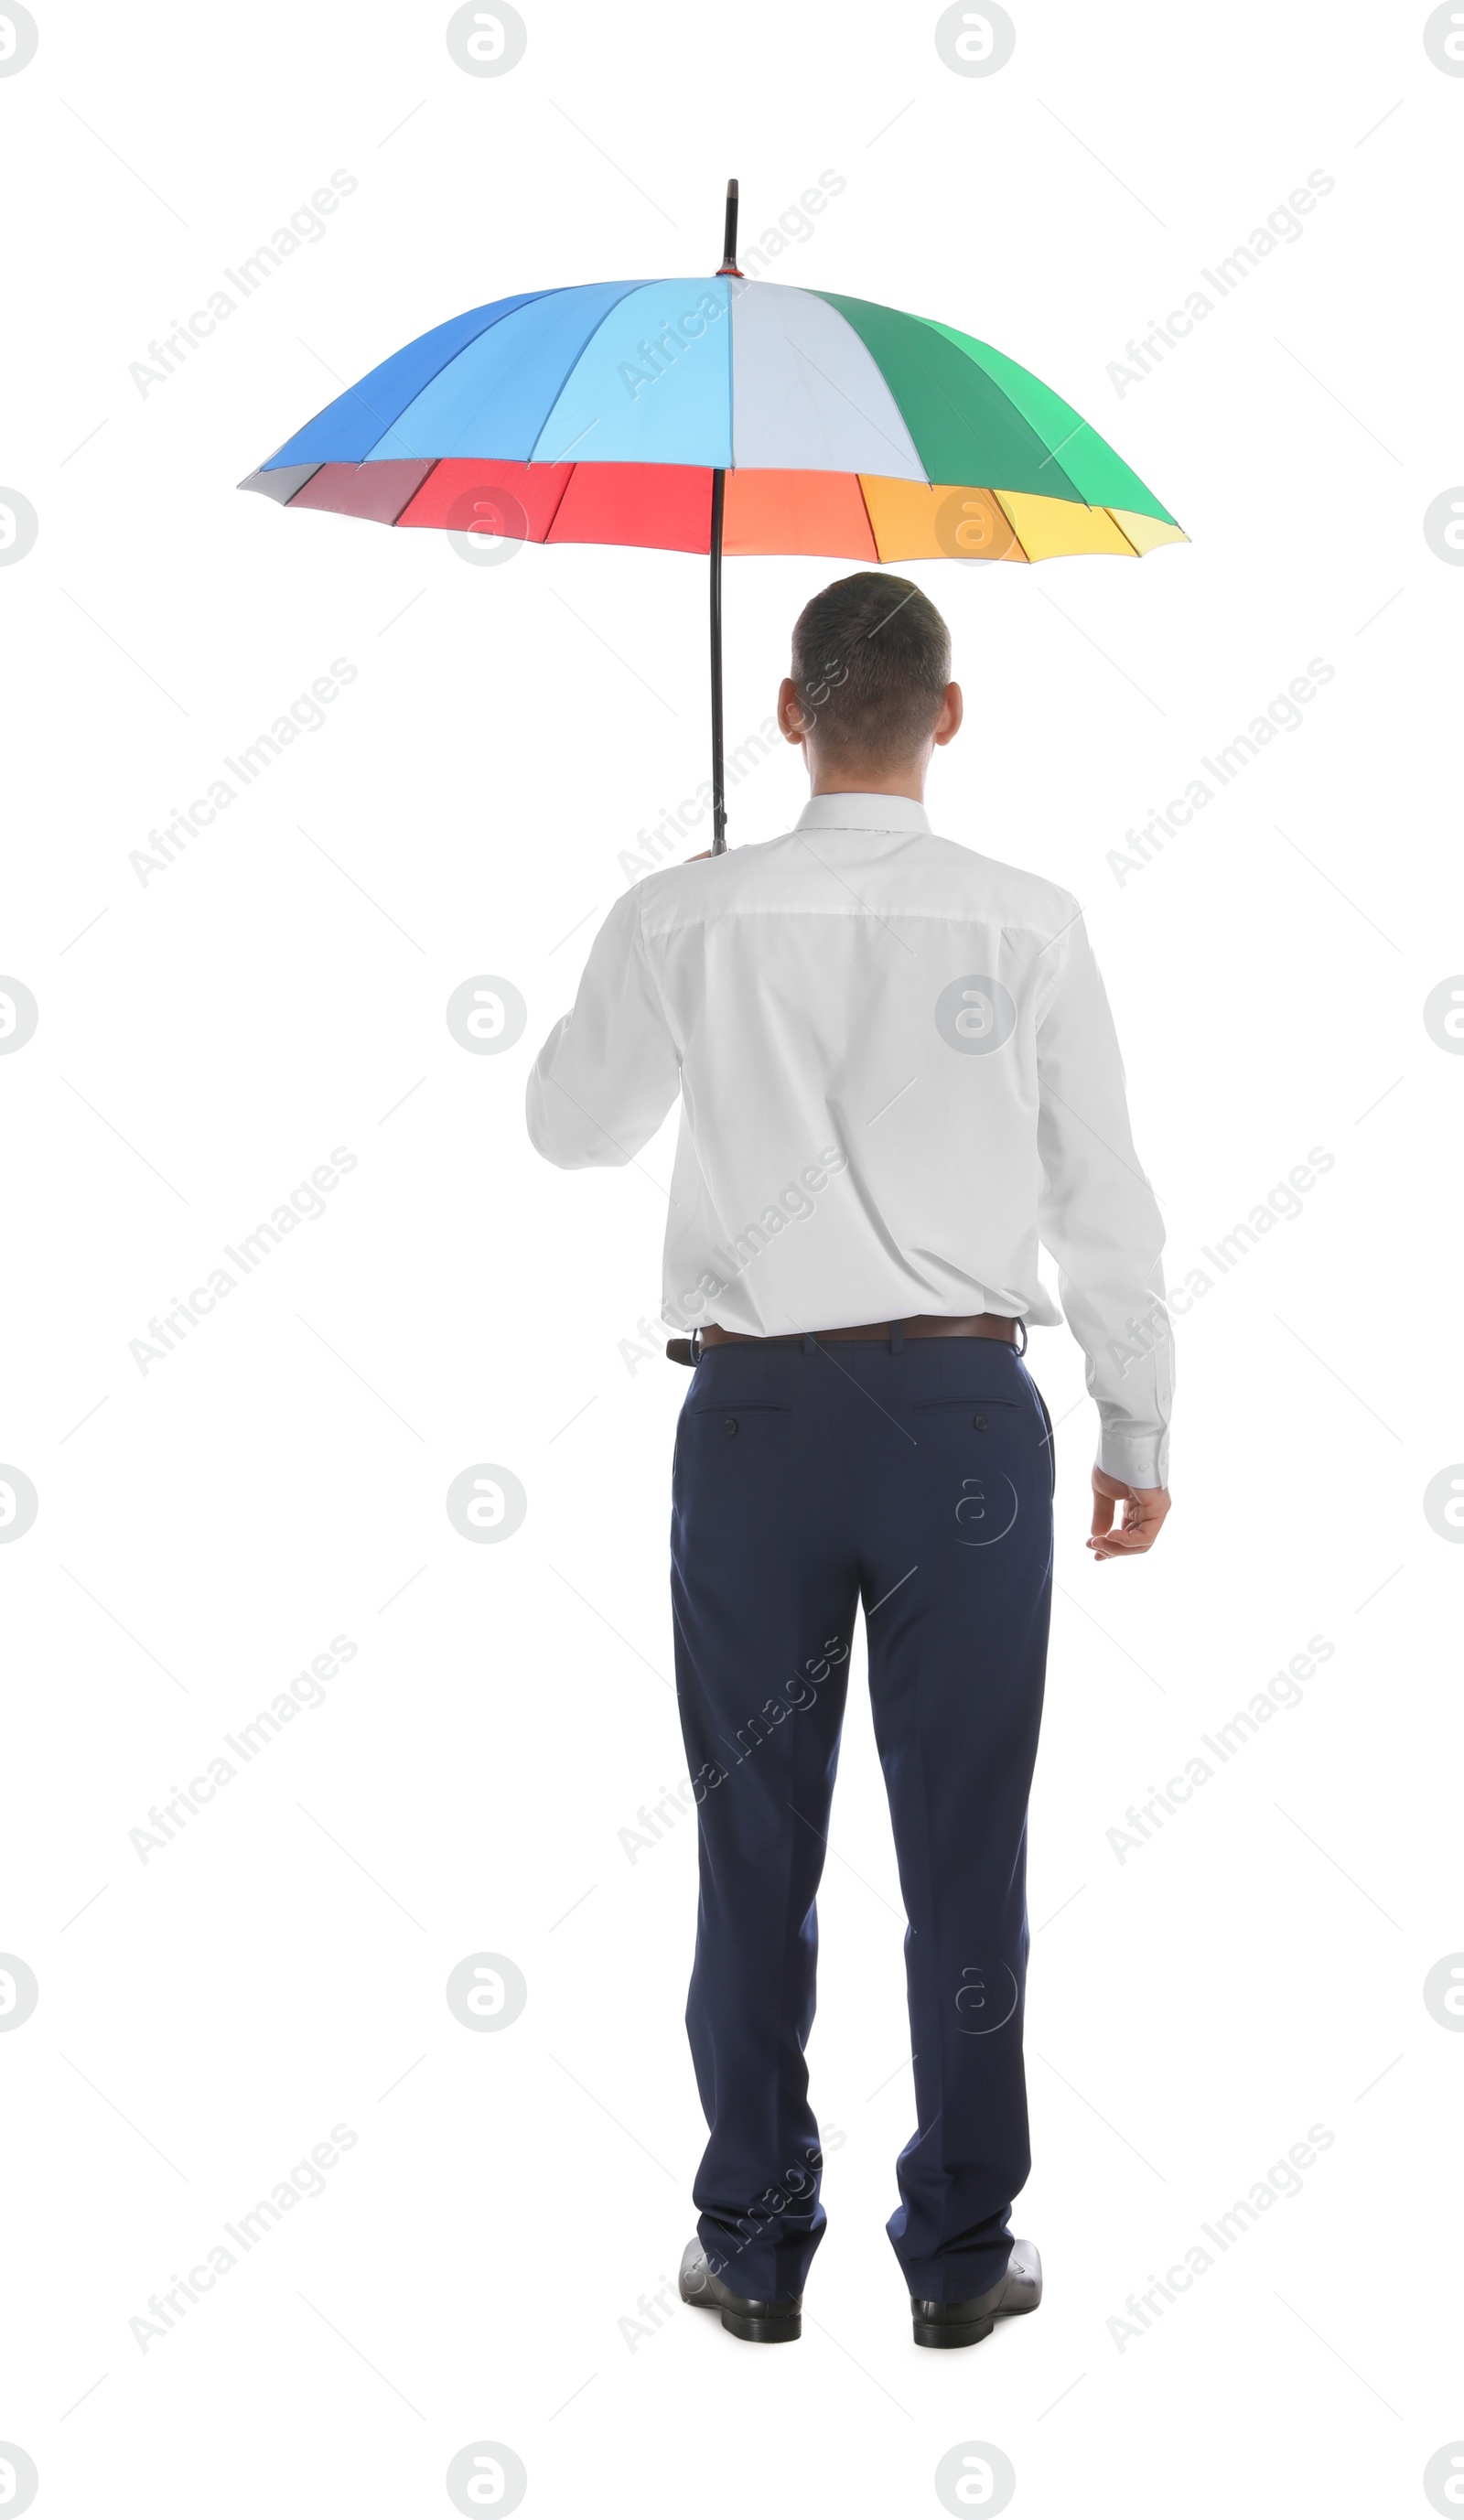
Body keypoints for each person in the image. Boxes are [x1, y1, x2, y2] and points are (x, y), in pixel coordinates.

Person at [526, 570, 1172, 2350]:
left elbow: (569, 1130)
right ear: (944, 717)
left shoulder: (688, 914)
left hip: (753, 1429)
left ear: (791, 713)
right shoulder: (1027, 923)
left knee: (755, 1847)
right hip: (966, 1426)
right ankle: (959, 2256)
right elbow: (1098, 1198)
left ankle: (750, 2240)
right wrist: (1135, 1420)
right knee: (966, 1850)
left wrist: (679, 942)